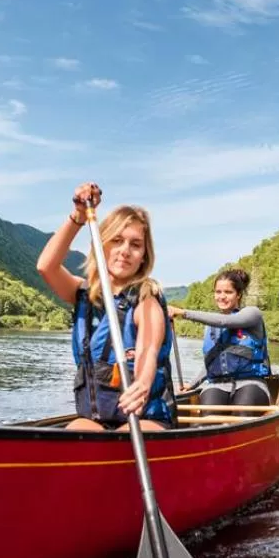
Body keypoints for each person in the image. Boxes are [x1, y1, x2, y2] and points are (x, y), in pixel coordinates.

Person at [36, 182, 174, 431]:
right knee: (78, 429)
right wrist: (77, 216)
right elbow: (46, 266)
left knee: (126, 435)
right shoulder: (84, 294)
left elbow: (147, 351)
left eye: (135, 244)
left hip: (144, 420)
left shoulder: (146, 297)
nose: (125, 251)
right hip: (96, 418)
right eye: (117, 240)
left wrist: (142, 384)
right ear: (102, 245)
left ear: (144, 254)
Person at [167, 268, 272, 410]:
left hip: (250, 382)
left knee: (243, 414)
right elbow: (212, 360)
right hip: (217, 384)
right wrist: (192, 384)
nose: (222, 297)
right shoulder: (211, 327)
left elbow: (225, 321)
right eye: (218, 292)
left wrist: (183, 313)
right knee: (208, 415)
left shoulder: (252, 314)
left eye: (228, 292)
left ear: (239, 294)